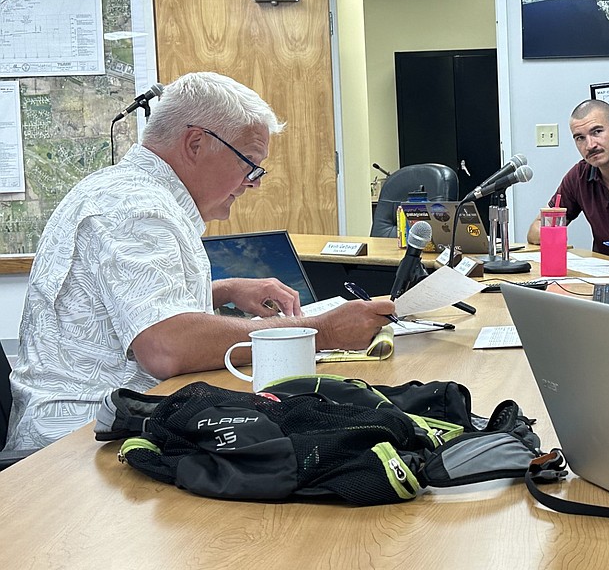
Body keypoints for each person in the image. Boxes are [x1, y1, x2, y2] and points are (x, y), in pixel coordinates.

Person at [5, 72, 394, 451]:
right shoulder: (133, 208)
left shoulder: (128, 192)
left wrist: (223, 290)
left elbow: (119, 311)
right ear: (195, 144)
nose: (254, 182)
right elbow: (166, 347)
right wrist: (323, 331)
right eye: (250, 164)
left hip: (108, 422)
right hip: (79, 443)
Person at [527, 99, 609, 258]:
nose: (590, 145)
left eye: (597, 132)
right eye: (580, 138)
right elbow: (535, 229)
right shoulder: (579, 175)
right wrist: (554, 237)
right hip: (602, 275)